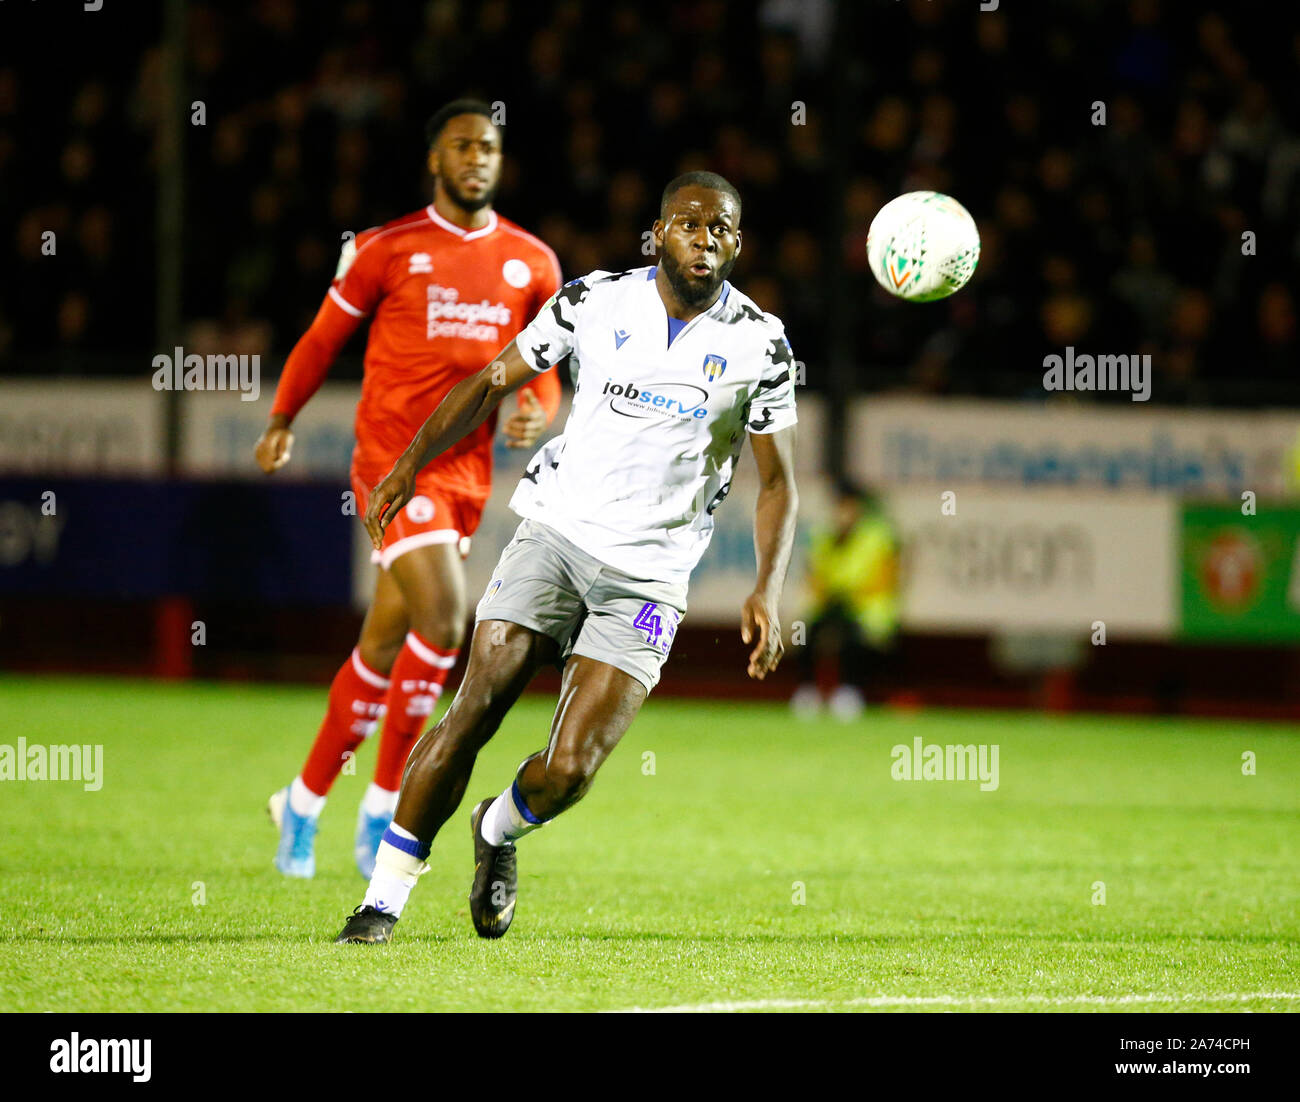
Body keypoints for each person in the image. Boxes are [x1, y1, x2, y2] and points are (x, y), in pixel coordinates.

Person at [333, 171, 799, 944]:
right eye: (688, 223)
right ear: (657, 234)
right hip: (555, 536)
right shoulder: (594, 301)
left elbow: (779, 482)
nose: (703, 238)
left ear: (737, 244)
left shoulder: (761, 343)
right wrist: (411, 463)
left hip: (649, 576)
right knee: (475, 705)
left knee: (571, 769)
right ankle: (382, 901)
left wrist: (767, 590)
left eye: (719, 228)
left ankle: (497, 829)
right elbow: (491, 380)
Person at [255, 99, 563, 879]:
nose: (476, 157)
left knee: (384, 646)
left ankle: (302, 799)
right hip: (393, 466)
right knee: (447, 617)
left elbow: (548, 374)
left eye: (488, 146)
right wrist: (283, 415)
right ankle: (387, 803)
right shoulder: (385, 249)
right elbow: (323, 338)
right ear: (436, 160)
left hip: (466, 476)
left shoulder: (533, 262)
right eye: (461, 145)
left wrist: (538, 409)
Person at [790, 483, 899, 720]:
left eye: (849, 507)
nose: (844, 514)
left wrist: (845, 590)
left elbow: (884, 579)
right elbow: (814, 577)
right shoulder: (823, 536)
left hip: (866, 610)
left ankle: (849, 693)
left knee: (853, 638)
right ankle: (808, 692)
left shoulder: (878, 537)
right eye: (840, 507)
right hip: (831, 605)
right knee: (806, 632)